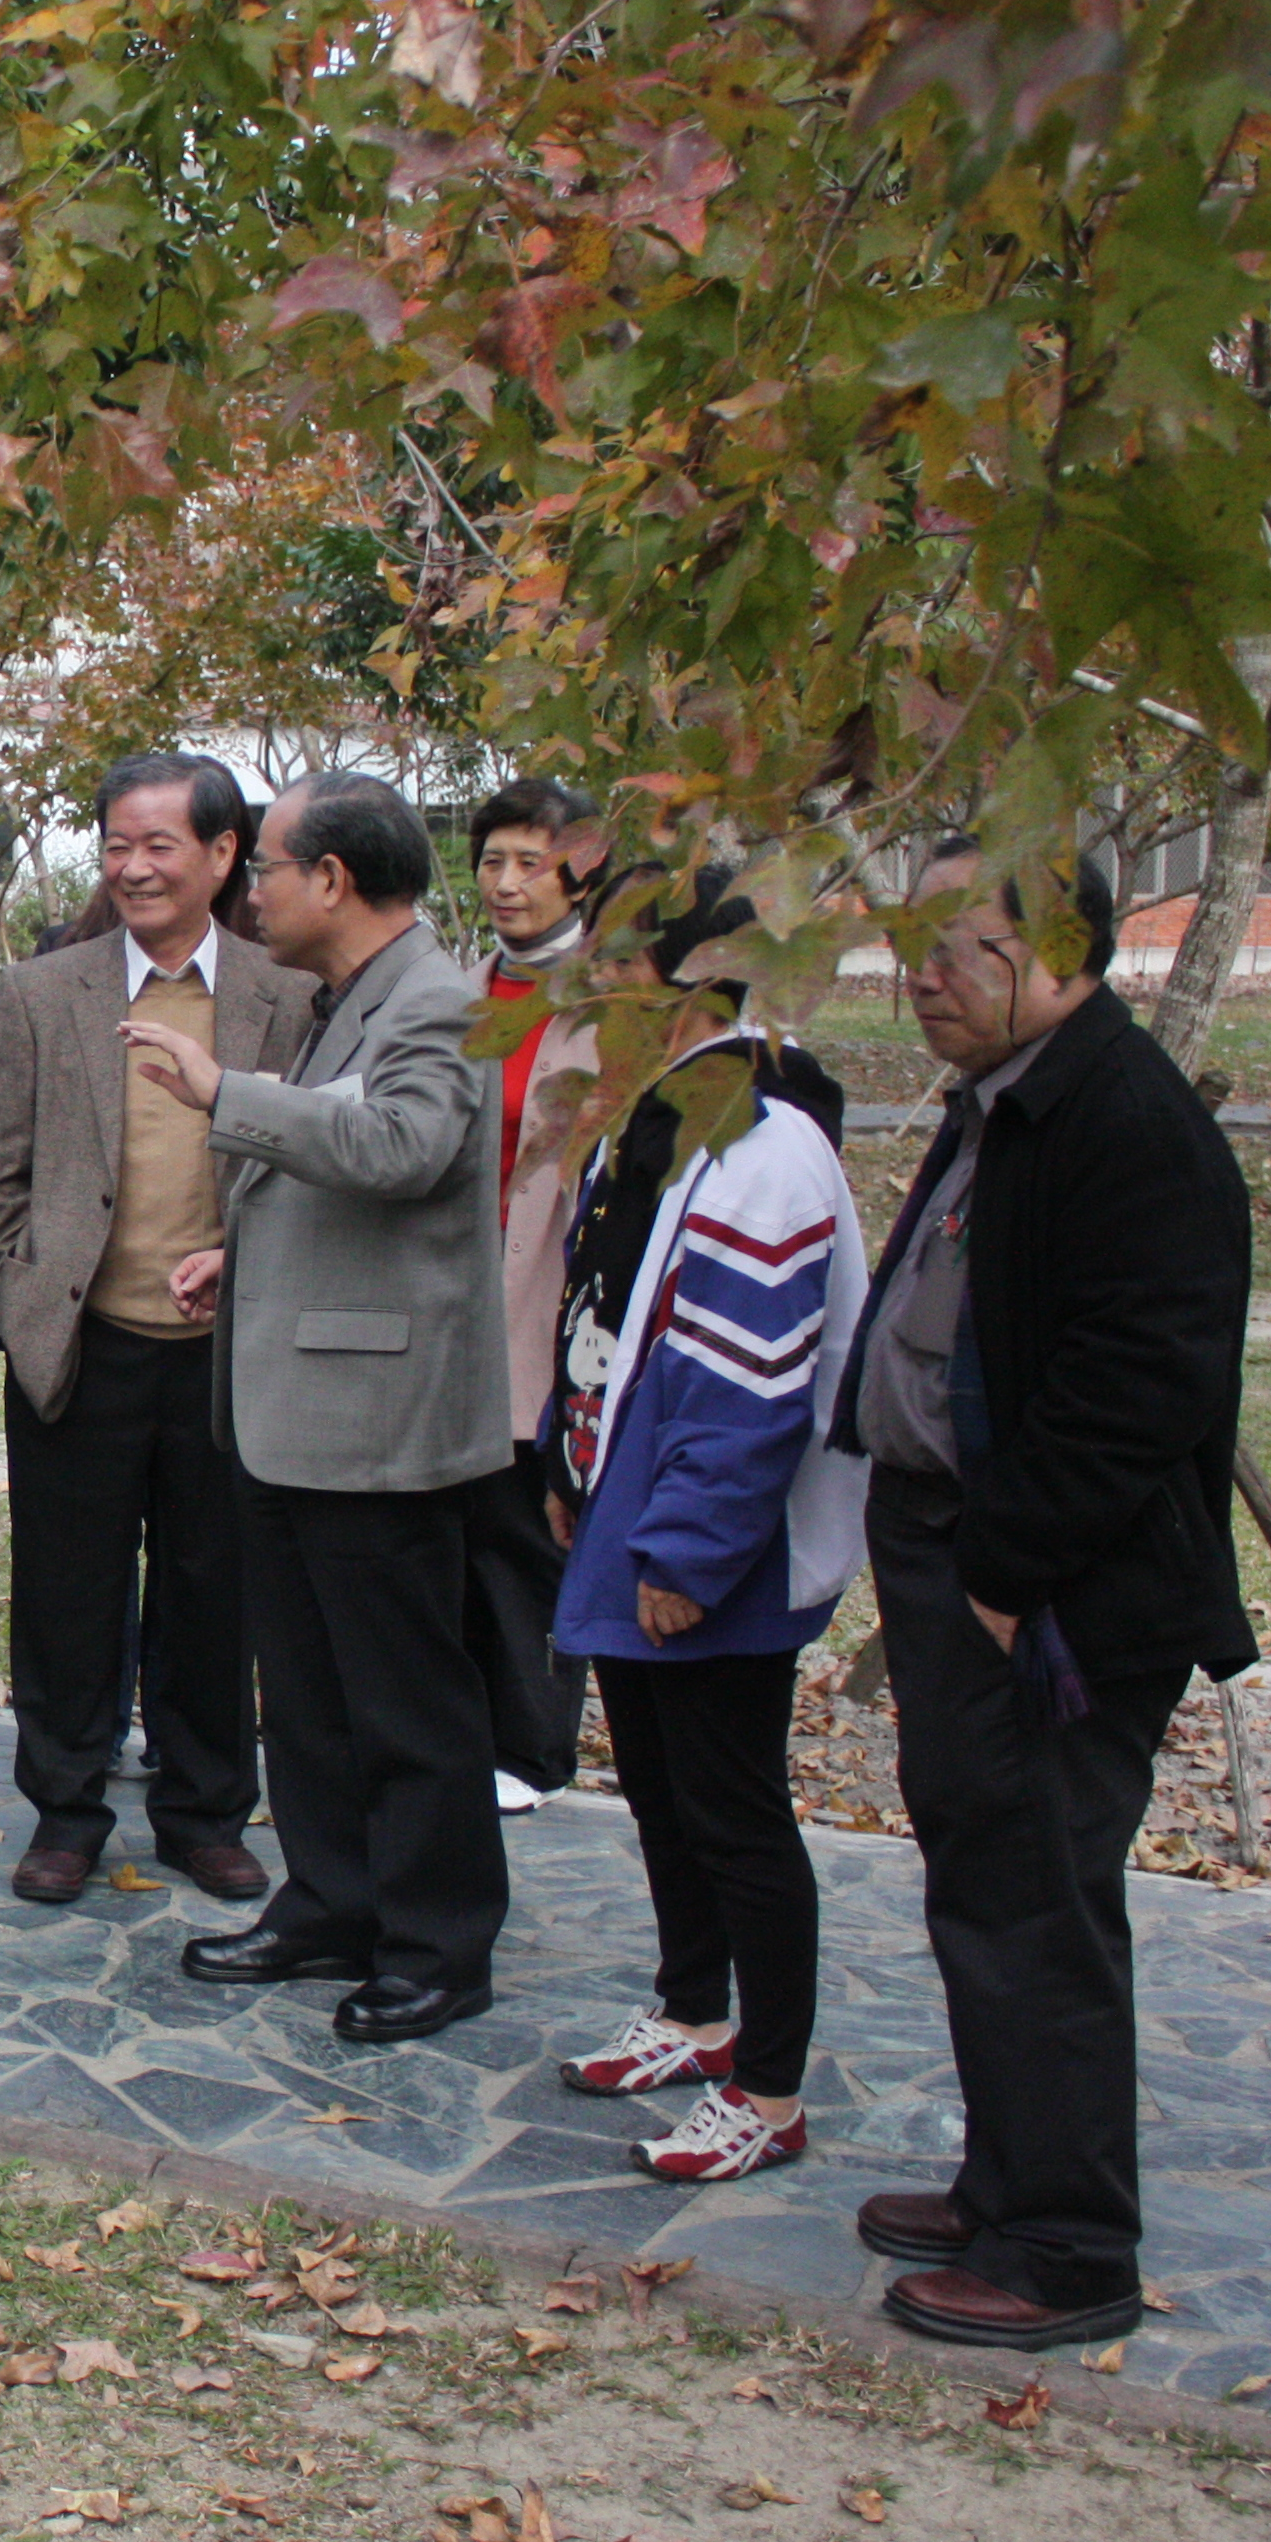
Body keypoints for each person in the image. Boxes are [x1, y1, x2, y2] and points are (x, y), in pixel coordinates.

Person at [837, 834, 1250, 2351]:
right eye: (915, 944)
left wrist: (1008, 1572)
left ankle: (1066, 2247)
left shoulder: (1122, 1124)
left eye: (957, 947)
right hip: (964, 1559)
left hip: (1050, 1599)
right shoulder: (1010, 1102)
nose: (920, 977)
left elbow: (1141, 1387)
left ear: (1059, 952)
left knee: (1038, 1909)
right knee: (987, 1893)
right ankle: (1008, 2181)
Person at [143, 770, 511, 2045]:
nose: (253, 890)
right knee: (302, 1693)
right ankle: (331, 1903)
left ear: (333, 880)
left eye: (268, 868)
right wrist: (243, 1259)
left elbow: (406, 1150)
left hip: (378, 1420)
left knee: (402, 1698)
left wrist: (222, 1096)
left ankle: (437, 1943)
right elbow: (345, 1182)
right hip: (292, 1406)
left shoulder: (439, 1002)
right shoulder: (343, 998)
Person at [538, 869, 869, 2183]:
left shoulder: (762, 1139)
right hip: (635, 1508)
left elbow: (750, 1380)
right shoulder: (664, 1120)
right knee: (667, 1797)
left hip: (713, 1545)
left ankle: (770, 2085)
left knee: (735, 1807)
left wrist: (682, 1548)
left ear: (677, 981)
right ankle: (693, 2009)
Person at [0, 755, 311, 1910]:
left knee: (217, 1594)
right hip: (80, 1345)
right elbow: (0, 1173)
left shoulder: (286, 996)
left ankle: (204, 1810)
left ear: (223, 855)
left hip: (228, 1354)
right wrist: (18, 1301)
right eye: (118, 842)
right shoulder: (43, 991)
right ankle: (66, 1811)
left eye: (162, 844)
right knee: (67, 1593)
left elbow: (312, 1172)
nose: (134, 865)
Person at [472, 777, 611, 1814]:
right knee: (457, 1517)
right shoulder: (462, 987)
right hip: (454, 1281)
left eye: (532, 862)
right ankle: (466, 1723)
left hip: (555, 1284)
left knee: (532, 1515)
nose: (509, 882)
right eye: (493, 860)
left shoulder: (611, 1001)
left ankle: (532, 1743)